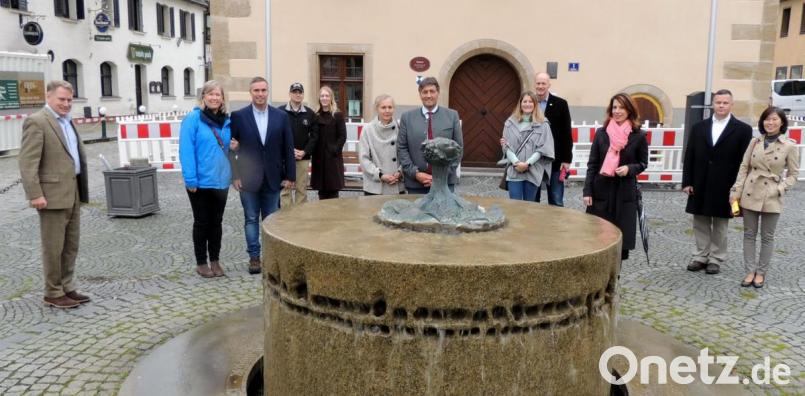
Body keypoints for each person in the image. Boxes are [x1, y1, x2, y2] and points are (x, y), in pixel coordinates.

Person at [19, 80, 90, 309]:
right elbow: (28, 162)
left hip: (72, 192)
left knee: (70, 245)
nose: (66, 104)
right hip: (50, 196)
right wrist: (35, 194)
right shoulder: (37, 122)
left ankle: (67, 286)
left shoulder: (67, 122)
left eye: (69, 100)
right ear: (48, 97)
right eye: (62, 99)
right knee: (53, 246)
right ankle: (52, 291)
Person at [682, 89, 752, 275]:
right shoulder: (699, 127)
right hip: (700, 181)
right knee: (700, 221)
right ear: (713, 104)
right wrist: (687, 181)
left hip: (726, 184)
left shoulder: (743, 130)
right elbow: (689, 155)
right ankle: (700, 256)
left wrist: (738, 188)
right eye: (718, 102)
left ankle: (716, 258)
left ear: (731, 105)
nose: (721, 105)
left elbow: (744, 162)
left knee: (720, 224)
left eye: (725, 103)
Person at [230, 77, 296, 275]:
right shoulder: (239, 116)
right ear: (250, 92)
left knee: (272, 220)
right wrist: (235, 175)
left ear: (268, 92)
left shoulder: (280, 116)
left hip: (273, 177)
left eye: (263, 90)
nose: (260, 94)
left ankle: (271, 257)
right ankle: (254, 257)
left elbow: (288, 147)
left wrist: (290, 176)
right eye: (256, 90)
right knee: (250, 219)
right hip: (248, 178)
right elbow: (232, 148)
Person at [730, 107, 799, 288]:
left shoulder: (789, 146)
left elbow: (793, 174)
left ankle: (761, 272)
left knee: (767, 237)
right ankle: (749, 271)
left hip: (772, 195)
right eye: (767, 119)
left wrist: (780, 188)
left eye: (774, 119)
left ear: (782, 122)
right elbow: (744, 167)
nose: (770, 123)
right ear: (762, 122)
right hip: (751, 192)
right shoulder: (754, 142)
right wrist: (736, 191)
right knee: (749, 234)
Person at [583, 93, 648, 261]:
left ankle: (614, 280)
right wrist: (587, 191)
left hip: (623, 194)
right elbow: (593, 164)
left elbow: (643, 163)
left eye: (621, 107)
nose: (617, 111)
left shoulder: (638, 135)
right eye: (614, 107)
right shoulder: (602, 133)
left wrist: (629, 168)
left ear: (629, 110)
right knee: (597, 240)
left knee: (619, 245)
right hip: (601, 192)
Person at [179, 80, 232, 278]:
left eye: (218, 94)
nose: (214, 98)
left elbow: (228, 147)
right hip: (200, 182)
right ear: (203, 97)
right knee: (202, 222)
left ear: (222, 98)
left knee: (216, 223)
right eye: (210, 94)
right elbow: (186, 150)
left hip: (221, 181)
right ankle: (201, 262)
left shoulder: (226, 120)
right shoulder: (193, 119)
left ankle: (215, 260)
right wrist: (190, 179)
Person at [398, 77, 463, 194]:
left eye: (432, 91)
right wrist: (415, 173)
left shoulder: (452, 116)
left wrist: (441, 176)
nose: (428, 95)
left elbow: (458, 149)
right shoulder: (407, 117)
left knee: (445, 212)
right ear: (420, 94)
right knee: (417, 212)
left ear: (438, 93)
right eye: (425, 92)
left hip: (445, 184)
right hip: (416, 183)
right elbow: (402, 148)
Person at [499, 91, 555, 201]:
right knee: (515, 207)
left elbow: (544, 148)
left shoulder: (543, 124)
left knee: (529, 208)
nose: (527, 104)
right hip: (514, 171)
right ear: (520, 104)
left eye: (530, 101)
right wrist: (516, 163)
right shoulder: (510, 123)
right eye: (525, 101)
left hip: (533, 171)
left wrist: (527, 164)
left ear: (535, 104)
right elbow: (506, 146)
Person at [533, 72, 573, 206]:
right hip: (533, 160)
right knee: (532, 201)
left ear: (549, 85)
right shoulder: (528, 103)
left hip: (556, 159)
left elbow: (566, 133)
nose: (540, 86)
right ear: (535, 84)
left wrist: (567, 160)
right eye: (538, 83)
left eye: (543, 83)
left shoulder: (561, 104)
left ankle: (556, 227)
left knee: (556, 200)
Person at [281, 82, 318, 207]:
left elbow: (314, 136)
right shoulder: (280, 112)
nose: (297, 94)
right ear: (290, 94)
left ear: (303, 95)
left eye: (300, 92)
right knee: (285, 189)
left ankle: (299, 219)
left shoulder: (310, 114)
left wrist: (305, 152)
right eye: (295, 92)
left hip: (303, 158)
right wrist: (288, 151)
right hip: (285, 158)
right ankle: (286, 218)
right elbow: (276, 135)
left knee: (301, 189)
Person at [359, 94, 404, 195]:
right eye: (383, 107)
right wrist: (380, 175)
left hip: (396, 183)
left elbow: (406, 153)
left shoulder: (400, 128)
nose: (387, 110)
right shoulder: (368, 130)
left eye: (390, 107)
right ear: (377, 109)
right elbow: (364, 158)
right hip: (375, 186)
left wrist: (400, 172)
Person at [310, 85, 346, 200]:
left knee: (333, 190)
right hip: (319, 158)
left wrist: (335, 149)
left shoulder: (337, 115)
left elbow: (342, 136)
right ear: (319, 98)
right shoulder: (315, 115)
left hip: (333, 159)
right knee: (322, 191)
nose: (324, 98)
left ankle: (333, 217)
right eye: (322, 96)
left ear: (331, 98)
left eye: (327, 95)